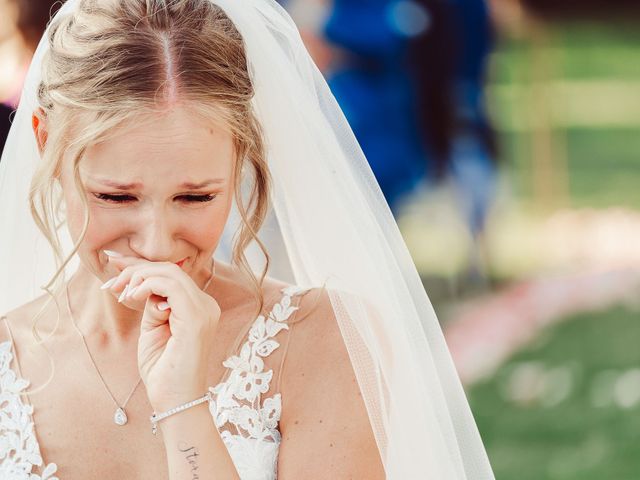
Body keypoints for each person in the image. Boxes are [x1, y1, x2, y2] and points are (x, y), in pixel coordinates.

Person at [0, 0, 496, 479]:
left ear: (241, 157)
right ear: (45, 141)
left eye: (194, 197)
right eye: (116, 197)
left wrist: (182, 407)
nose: (156, 246)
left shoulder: (324, 342)